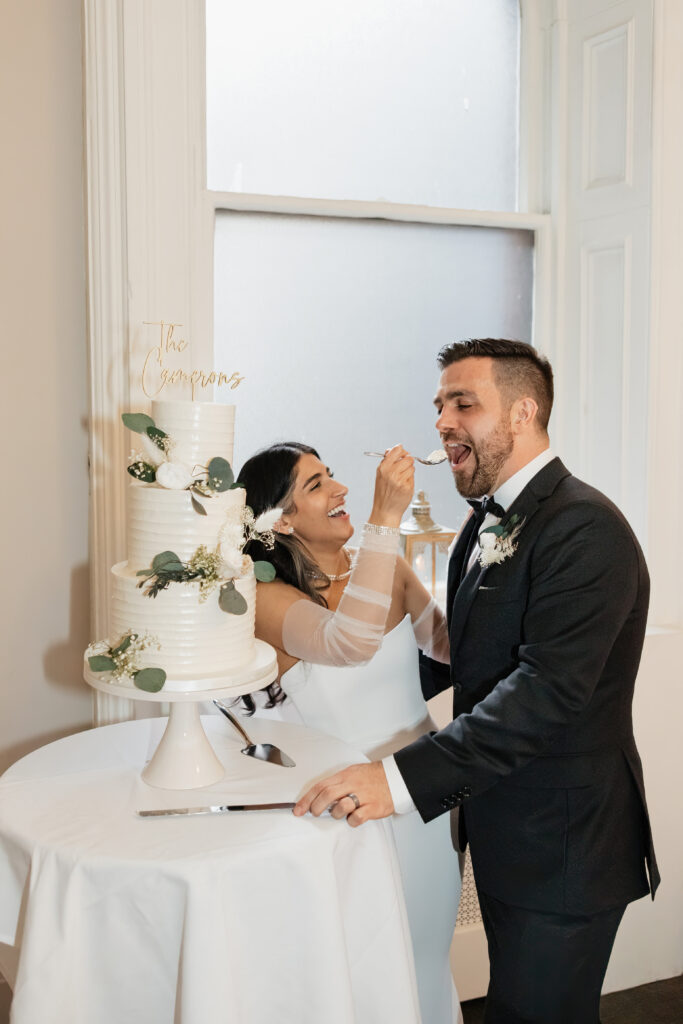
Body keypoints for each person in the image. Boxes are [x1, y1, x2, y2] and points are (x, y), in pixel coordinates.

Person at [295, 339, 660, 1024]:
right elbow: (468, 657)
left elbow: (544, 694)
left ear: (523, 412)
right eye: (438, 406)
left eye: (463, 403)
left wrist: (397, 779)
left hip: (565, 843)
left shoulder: (584, 527)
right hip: (502, 827)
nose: (440, 422)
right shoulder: (483, 523)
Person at [237, 442, 461, 1024]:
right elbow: (349, 643)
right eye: (315, 485)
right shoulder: (265, 598)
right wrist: (387, 516)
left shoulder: (384, 567)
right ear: (281, 519)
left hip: (420, 796)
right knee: (363, 975)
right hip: (348, 815)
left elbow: (454, 650)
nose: (339, 488)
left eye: (331, 475)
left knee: (425, 957)